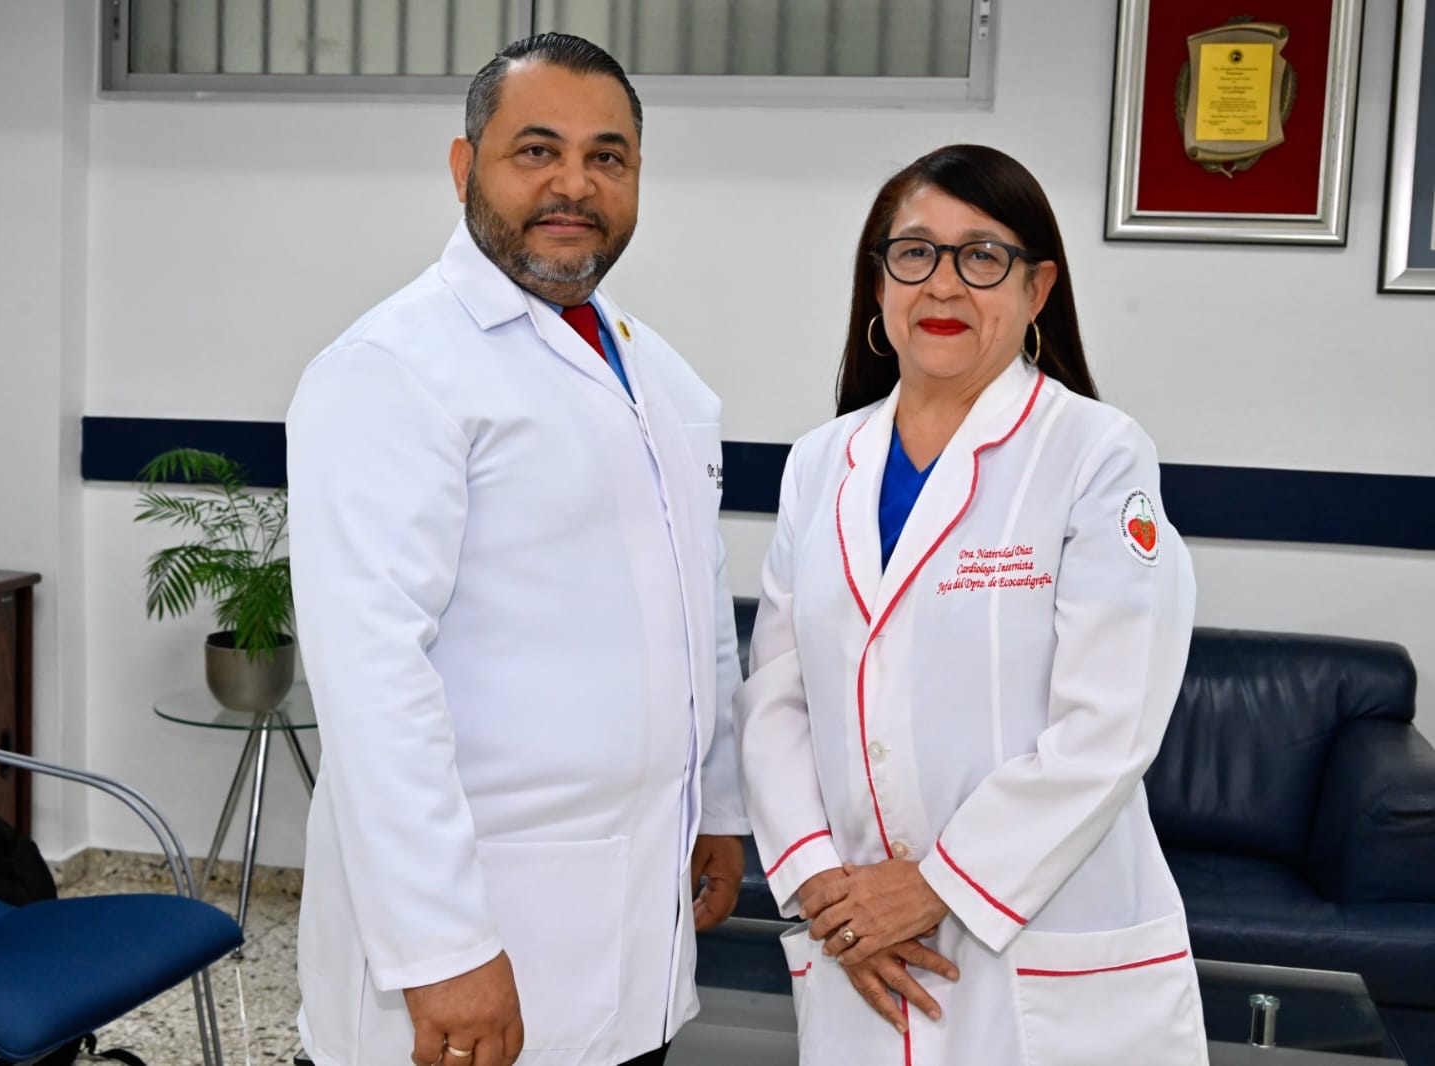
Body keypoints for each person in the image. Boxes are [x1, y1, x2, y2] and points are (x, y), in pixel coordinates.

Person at [285, 32, 748, 1066]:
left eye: (606, 157)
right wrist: (442, 947)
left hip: (635, 921)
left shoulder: (660, 374)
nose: (573, 184)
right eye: (536, 150)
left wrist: (716, 801)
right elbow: (372, 676)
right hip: (472, 934)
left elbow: (698, 603)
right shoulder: (393, 368)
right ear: (465, 167)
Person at [735, 144, 1207, 1065]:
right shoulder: (820, 464)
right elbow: (776, 698)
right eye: (914, 252)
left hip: (1037, 946)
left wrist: (937, 886)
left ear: (1037, 290)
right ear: (878, 283)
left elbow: (1108, 723)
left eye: (982, 255)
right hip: (860, 946)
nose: (942, 284)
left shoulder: (1094, 453)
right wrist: (827, 890)